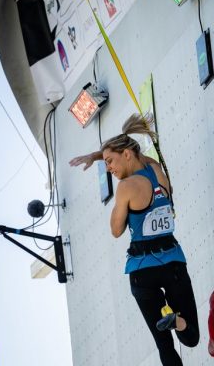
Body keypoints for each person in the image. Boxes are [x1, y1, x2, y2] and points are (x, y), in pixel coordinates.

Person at [69, 114, 199, 366]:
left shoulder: (127, 187)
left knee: (165, 348)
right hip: (173, 262)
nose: (108, 168)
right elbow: (138, 157)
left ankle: (171, 324)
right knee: (191, 336)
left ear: (126, 154)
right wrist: (98, 156)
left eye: (110, 162)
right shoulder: (155, 170)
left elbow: (116, 231)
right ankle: (178, 321)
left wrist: (122, 207)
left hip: (143, 273)